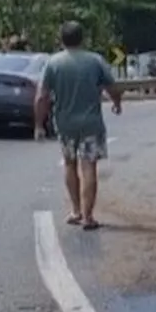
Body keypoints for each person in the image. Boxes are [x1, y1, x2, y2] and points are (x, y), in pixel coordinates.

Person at [34, 21, 123, 231]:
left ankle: (75, 210)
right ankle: (88, 216)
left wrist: (38, 124)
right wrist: (117, 103)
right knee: (89, 166)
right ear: (82, 39)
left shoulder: (53, 64)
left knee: (70, 164)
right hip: (91, 124)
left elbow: (41, 97)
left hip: (65, 125)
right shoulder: (95, 61)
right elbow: (112, 87)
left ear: (61, 39)